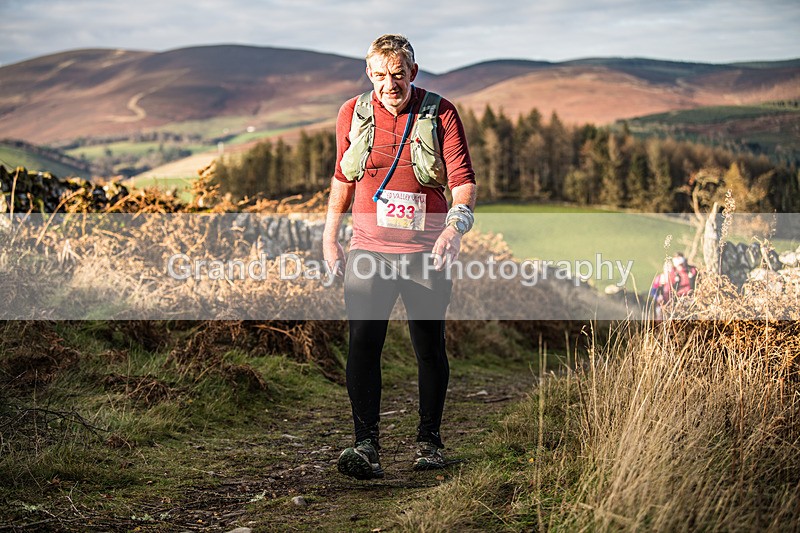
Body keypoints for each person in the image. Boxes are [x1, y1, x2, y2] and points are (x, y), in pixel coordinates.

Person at [322, 34, 477, 480]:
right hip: (368, 250)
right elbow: (342, 178)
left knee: (428, 347)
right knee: (363, 344)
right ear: (369, 74)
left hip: (426, 253)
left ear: (413, 71)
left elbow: (463, 181)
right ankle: (365, 445)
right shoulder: (352, 113)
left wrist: (454, 228)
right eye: (379, 75)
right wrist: (330, 237)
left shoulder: (440, 112)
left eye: (397, 74)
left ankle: (429, 442)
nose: (389, 84)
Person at [650, 252, 697, 320]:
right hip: (670, 303)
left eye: (681, 264)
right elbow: (654, 291)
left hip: (688, 301)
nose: (681, 267)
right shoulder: (664, 277)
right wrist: (658, 297)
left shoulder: (692, 272)